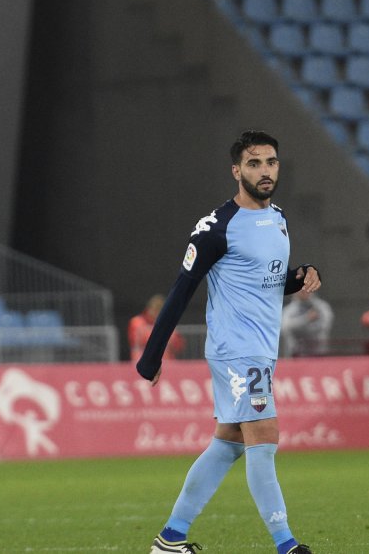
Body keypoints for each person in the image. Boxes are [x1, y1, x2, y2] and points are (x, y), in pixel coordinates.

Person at [135, 130, 319, 554]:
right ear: (236, 171)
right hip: (237, 349)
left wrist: (305, 273)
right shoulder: (217, 228)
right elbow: (182, 288)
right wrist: (152, 355)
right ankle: (287, 545)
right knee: (265, 436)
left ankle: (171, 539)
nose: (265, 171)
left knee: (229, 443)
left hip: (258, 348)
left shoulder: (279, 217)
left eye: (271, 162)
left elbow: (269, 281)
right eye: (254, 164)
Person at [127, 294, 185, 362]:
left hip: (166, 362)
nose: (156, 312)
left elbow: (179, 345)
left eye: (160, 309)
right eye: (155, 309)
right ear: (149, 308)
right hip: (141, 361)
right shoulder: (136, 322)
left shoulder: (168, 324)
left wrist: (174, 340)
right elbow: (135, 341)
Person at [280, 292, 333, 357]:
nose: (304, 291)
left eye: (306, 288)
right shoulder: (288, 310)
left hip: (319, 354)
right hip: (296, 354)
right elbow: (285, 328)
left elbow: (324, 327)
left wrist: (299, 329)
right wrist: (307, 318)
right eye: (300, 289)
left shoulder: (322, 307)